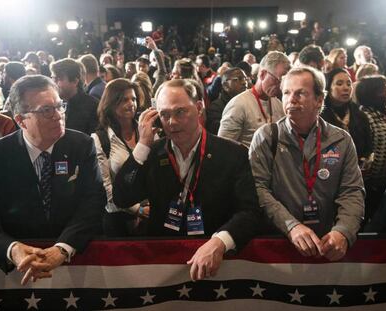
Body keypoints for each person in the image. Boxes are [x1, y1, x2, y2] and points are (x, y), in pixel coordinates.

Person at [113, 79, 262, 281]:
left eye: (180, 112)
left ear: (199, 108)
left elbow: (250, 212)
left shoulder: (232, 154)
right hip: (162, 260)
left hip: (214, 261)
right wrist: (142, 146)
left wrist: (219, 242)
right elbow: (122, 198)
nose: (172, 122)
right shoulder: (152, 154)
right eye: (164, 115)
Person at [0, 75, 106, 284]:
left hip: (76, 261)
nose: (58, 116)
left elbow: (93, 202)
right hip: (17, 272)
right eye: (46, 110)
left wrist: (62, 248)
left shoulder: (82, 145)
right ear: (20, 120)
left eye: (60, 106)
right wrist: (12, 249)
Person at [249, 66, 364, 261]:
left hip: (327, 242)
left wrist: (343, 231)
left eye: (300, 93)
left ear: (319, 100)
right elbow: (259, 189)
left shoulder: (341, 139)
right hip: (279, 242)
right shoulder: (267, 137)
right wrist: (291, 226)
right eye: (286, 92)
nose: (291, 99)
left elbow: (352, 191)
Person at [91, 78, 149, 236]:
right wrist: (138, 209)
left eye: (134, 99)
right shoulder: (100, 139)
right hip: (118, 218)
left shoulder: (148, 132)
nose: (131, 104)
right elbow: (106, 188)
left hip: (151, 214)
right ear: (111, 103)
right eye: (124, 100)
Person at [218, 51, 291, 148]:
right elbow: (223, 147)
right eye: (277, 80)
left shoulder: (278, 104)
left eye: (284, 82)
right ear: (262, 74)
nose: (281, 86)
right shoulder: (238, 104)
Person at [356, 75, 386, 221]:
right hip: (373, 180)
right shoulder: (365, 116)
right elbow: (366, 150)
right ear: (371, 94)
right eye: (382, 89)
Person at [321, 68, 373, 161]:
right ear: (328, 87)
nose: (346, 88)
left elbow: (368, 146)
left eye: (349, 84)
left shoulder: (360, 115)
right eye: (339, 84)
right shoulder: (320, 117)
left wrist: (366, 158)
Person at [50, 58, 99, 135]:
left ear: (75, 81)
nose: (54, 83)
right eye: (53, 78)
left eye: (59, 79)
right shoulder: (54, 105)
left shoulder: (93, 106)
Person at [206, 67, 248, 134]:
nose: (244, 82)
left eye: (245, 79)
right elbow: (220, 133)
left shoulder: (249, 102)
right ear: (226, 86)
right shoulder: (216, 107)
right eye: (238, 79)